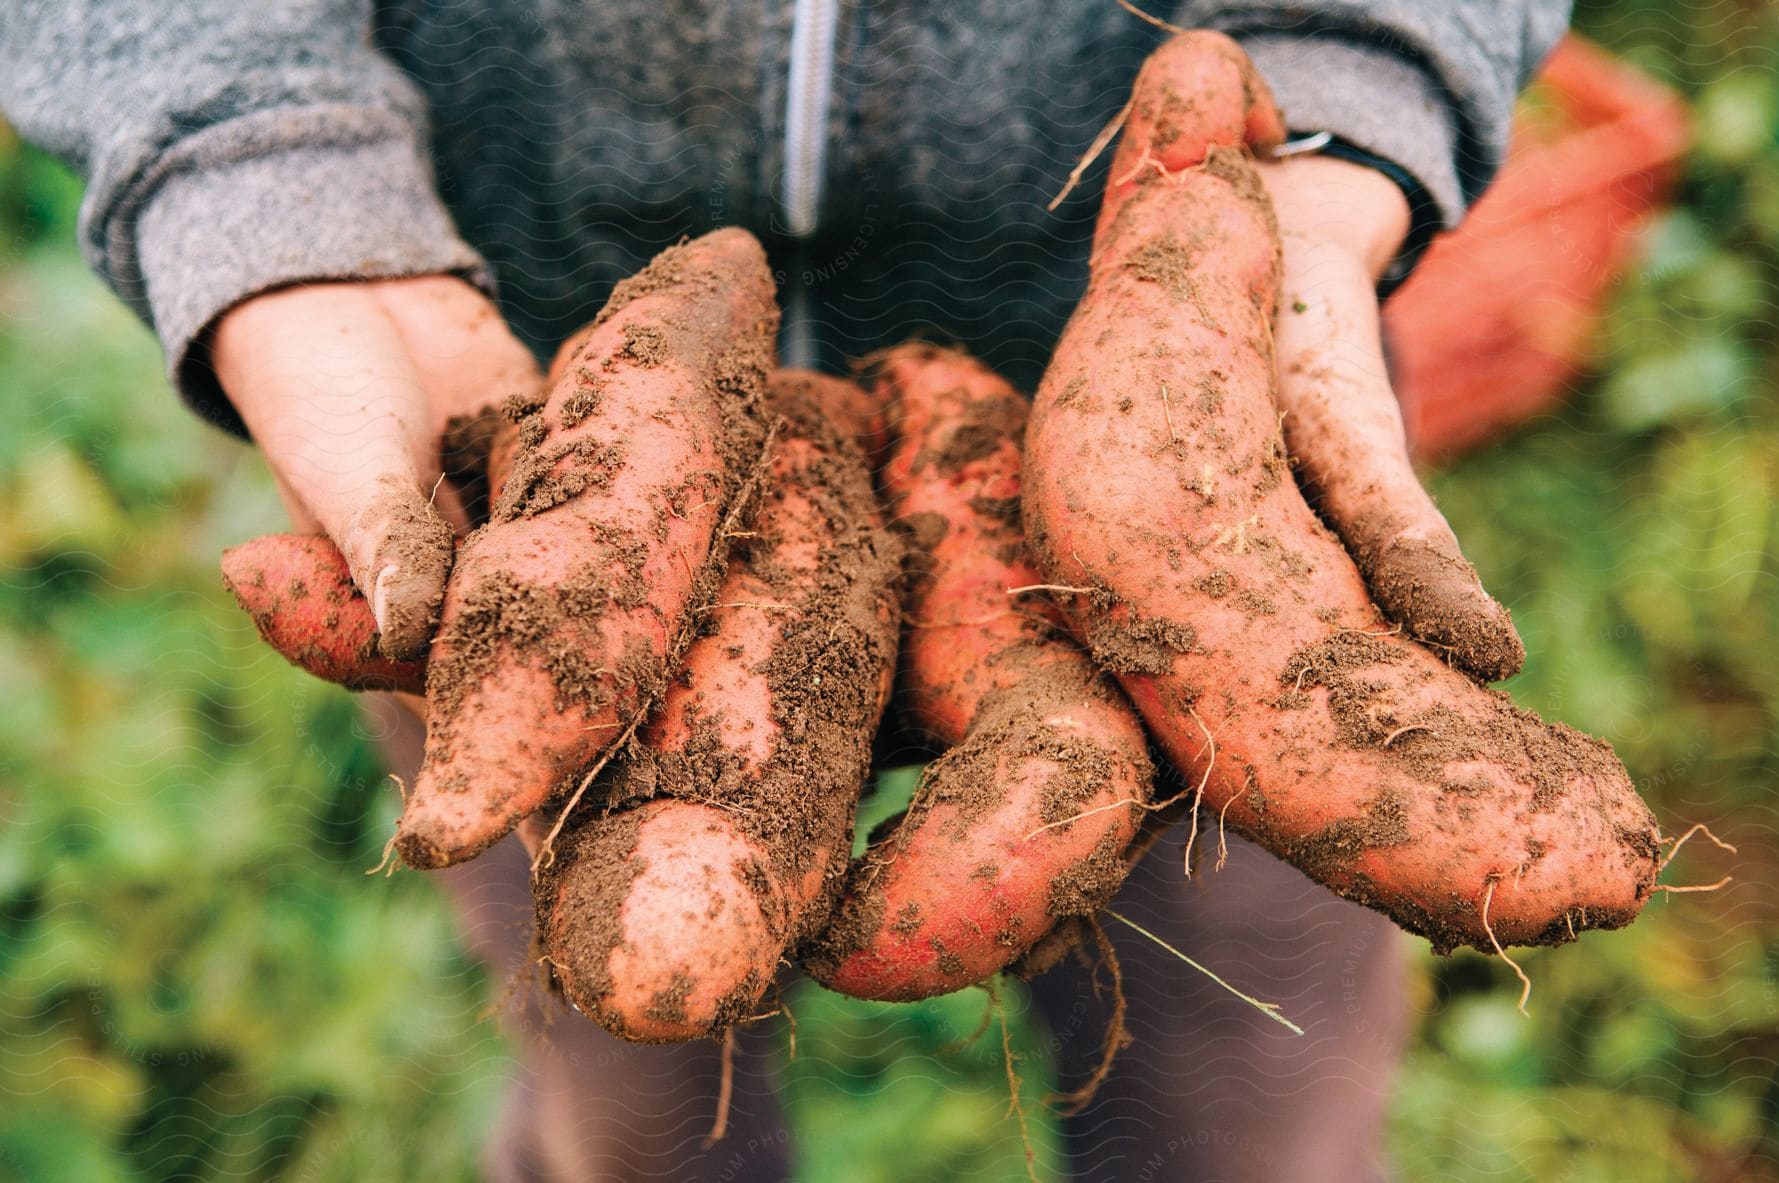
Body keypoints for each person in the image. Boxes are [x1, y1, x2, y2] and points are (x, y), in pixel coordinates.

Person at [1, 2, 1572, 1179]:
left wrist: (1355, 84)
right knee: (634, 1071)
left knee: (1250, 1088)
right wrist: (265, 178)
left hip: (1203, 412)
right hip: (521, 385)